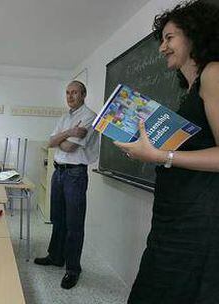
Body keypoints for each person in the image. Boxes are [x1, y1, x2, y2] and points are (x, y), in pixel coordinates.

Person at [114, 1, 219, 302]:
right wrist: (144, 148)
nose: (162, 48)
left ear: (194, 35)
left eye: (169, 38)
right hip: (173, 216)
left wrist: (162, 156)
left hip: (197, 224)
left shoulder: (213, 73)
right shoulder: (188, 89)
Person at [34, 80, 99, 289]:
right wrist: (70, 131)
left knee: (74, 224)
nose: (70, 96)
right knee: (58, 219)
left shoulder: (89, 116)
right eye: (68, 93)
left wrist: (63, 137)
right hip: (58, 172)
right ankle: (56, 257)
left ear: (84, 94)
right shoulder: (65, 117)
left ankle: (72, 269)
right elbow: (50, 141)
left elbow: (69, 148)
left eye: (75, 93)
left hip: (75, 175)